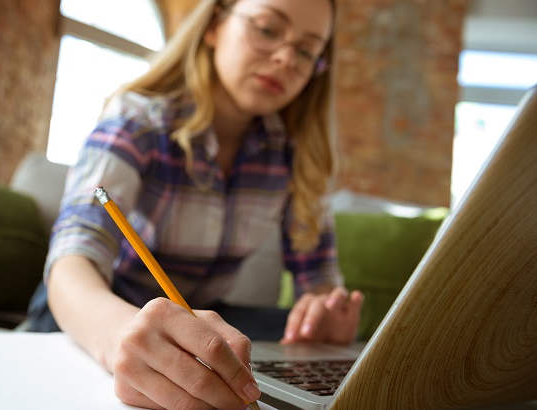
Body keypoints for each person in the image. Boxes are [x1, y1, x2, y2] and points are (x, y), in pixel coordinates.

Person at [27, 0, 363, 408]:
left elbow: (320, 280)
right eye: (268, 29)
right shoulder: (138, 120)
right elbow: (72, 259)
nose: (285, 58)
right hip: (106, 305)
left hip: (201, 315)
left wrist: (323, 313)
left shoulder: (295, 155)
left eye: (307, 50)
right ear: (215, 26)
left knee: (317, 349)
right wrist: (119, 337)